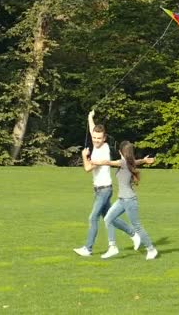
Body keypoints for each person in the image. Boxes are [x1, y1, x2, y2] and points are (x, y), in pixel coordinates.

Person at [73, 110, 141, 257]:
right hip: (99, 189)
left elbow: (87, 168)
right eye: (94, 137)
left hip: (104, 190)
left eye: (99, 138)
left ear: (104, 139)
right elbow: (92, 129)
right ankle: (133, 234)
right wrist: (90, 116)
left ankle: (88, 249)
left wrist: (84, 156)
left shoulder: (102, 152)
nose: (96, 140)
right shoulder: (96, 141)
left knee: (93, 218)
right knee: (110, 217)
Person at [97, 140, 158, 260]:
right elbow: (136, 161)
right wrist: (145, 160)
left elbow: (108, 162)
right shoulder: (129, 162)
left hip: (129, 200)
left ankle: (151, 249)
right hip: (121, 200)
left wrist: (91, 161)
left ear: (120, 151)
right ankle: (113, 247)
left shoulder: (122, 162)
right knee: (108, 218)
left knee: (137, 226)